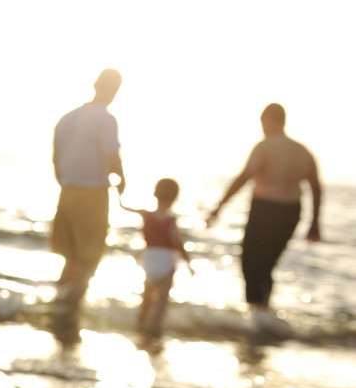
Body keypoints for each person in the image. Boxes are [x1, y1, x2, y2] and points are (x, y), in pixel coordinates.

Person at [207, 103, 322, 315]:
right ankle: (264, 311)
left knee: (251, 261)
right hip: (291, 212)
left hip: (264, 210)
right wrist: (314, 223)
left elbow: (243, 178)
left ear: (269, 120)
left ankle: (256, 311)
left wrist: (219, 207)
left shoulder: (265, 147)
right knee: (267, 263)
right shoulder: (302, 151)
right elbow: (316, 188)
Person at [49, 69, 126, 339]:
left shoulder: (68, 118)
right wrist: (122, 178)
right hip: (93, 191)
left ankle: (57, 303)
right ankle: (71, 309)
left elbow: (55, 157)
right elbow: (111, 155)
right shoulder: (106, 119)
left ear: (95, 85)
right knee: (89, 257)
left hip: (67, 190)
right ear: (114, 90)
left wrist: (65, 181)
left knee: (71, 255)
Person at [119, 178, 193, 340]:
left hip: (150, 259)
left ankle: (141, 323)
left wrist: (119, 194)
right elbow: (179, 243)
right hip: (166, 260)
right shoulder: (171, 220)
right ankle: (154, 329)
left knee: (147, 296)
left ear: (155, 194)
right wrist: (189, 263)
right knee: (161, 300)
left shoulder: (146, 214)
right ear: (174, 197)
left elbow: (124, 206)